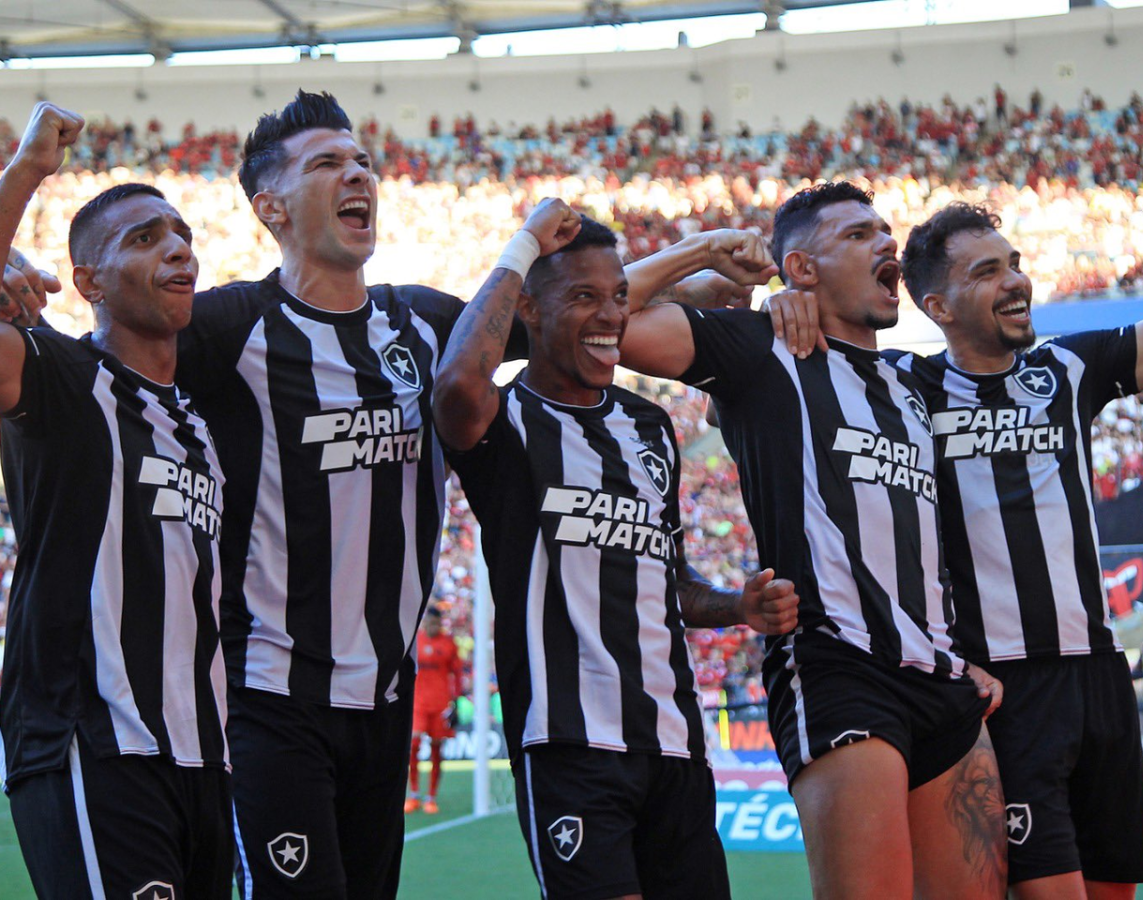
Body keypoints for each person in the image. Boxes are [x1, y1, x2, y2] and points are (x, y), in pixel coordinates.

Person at [174, 89, 776, 897]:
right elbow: (90, 358)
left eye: (361, 160)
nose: (358, 174)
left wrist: (696, 255)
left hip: (384, 698)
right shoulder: (230, 328)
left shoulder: (418, 324)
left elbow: (570, 310)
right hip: (270, 693)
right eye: (327, 164)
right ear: (270, 207)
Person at [616, 181, 1008, 899]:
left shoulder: (914, 384)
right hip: (839, 671)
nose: (887, 242)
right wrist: (712, 262)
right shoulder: (763, 352)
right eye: (858, 235)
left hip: (944, 680)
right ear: (801, 268)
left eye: (885, 230)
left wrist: (965, 654)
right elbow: (603, 318)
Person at [432, 199, 801, 899]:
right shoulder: (504, 420)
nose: (609, 317)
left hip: (676, 749)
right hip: (569, 745)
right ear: (530, 313)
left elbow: (673, 584)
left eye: (619, 300)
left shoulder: (649, 427)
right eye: (582, 298)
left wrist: (737, 606)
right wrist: (521, 247)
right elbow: (454, 385)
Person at [891, 115, 1143, 897]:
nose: (1016, 281)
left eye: (1015, 264)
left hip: (1098, 675)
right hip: (1002, 686)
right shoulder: (903, 390)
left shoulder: (1069, 368)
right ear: (937, 305)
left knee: (1113, 888)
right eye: (987, 272)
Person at [0, 103, 232, 897]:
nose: (177, 249)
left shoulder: (198, 422)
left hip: (201, 760)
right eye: (144, 239)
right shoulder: (61, 377)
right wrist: (27, 169)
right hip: (91, 742)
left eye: (182, 236)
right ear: (87, 283)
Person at [406, 608, 464, 814]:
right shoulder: (415, 641)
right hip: (418, 704)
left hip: (440, 704)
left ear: (439, 623)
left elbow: (457, 675)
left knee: (436, 748)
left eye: (435, 623)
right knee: (412, 744)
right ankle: (413, 794)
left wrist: (456, 702)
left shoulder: (448, 643)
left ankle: (431, 797)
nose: (432, 626)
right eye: (429, 622)